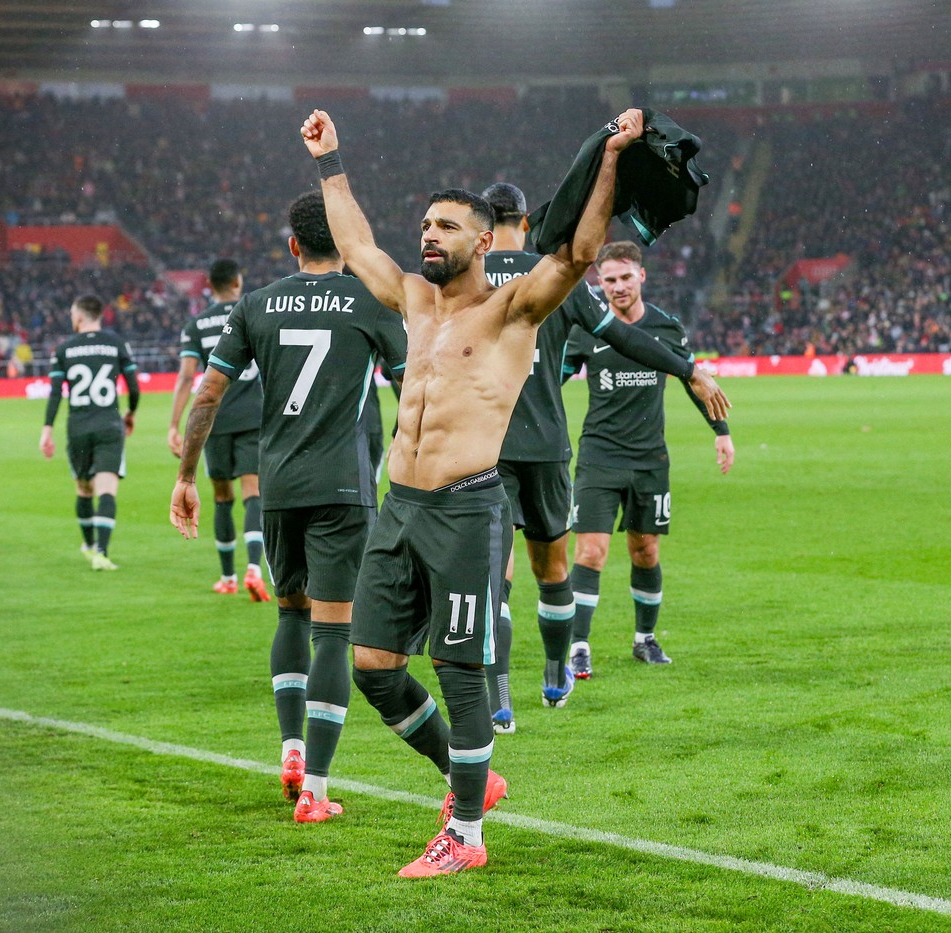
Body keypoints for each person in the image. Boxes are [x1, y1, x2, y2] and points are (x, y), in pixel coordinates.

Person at [286, 107, 644, 877]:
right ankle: (464, 776)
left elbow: (579, 252)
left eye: (445, 227)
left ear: (483, 241)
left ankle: (469, 834)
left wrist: (609, 157)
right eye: (424, 225)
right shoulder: (416, 301)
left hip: (465, 509)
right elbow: (353, 244)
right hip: (400, 509)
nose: (428, 236)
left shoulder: (513, 310)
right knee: (373, 662)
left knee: (459, 670)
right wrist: (330, 160)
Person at [170, 191, 408, 824]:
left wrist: (186, 473)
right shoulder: (372, 301)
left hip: (277, 486)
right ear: (347, 241)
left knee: (290, 615)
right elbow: (413, 393)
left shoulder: (256, 304)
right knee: (335, 630)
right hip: (342, 487)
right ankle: (318, 790)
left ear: (293, 245)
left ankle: (292, 750)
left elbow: (208, 394)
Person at [478, 182, 729, 731]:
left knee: (495, 576)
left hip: (484, 444)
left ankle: (499, 699)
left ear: (481, 225)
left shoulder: (462, 280)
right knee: (554, 569)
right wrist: (689, 369)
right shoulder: (556, 278)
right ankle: (552, 671)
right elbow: (622, 335)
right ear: (525, 222)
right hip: (545, 445)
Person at [564, 241, 734, 675]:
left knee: (645, 550)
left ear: (642, 276)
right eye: (609, 280)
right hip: (599, 456)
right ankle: (578, 645)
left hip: (649, 459)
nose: (617, 287)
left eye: (624, 277)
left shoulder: (666, 328)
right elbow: (552, 376)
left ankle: (645, 639)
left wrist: (721, 433)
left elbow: (693, 381)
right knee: (590, 552)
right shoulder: (587, 329)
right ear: (598, 284)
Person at [169, 259, 270, 600]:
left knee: (222, 498)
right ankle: (254, 569)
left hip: (214, 420)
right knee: (253, 493)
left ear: (210, 286)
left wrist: (174, 424)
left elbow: (186, 377)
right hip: (253, 414)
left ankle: (228, 577)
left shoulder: (196, 324)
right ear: (237, 283)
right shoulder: (254, 309)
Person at [39, 295, 139, 570]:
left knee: (84, 489)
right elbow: (133, 385)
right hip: (109, 424)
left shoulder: (64, 349)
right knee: (107, 489)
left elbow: (56, 394)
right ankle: (101, 553)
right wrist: (130, 412)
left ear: (80, 316)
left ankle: (89, 545)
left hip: (79, 427)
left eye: (72, 313)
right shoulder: (116, 344)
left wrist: (47, 430)